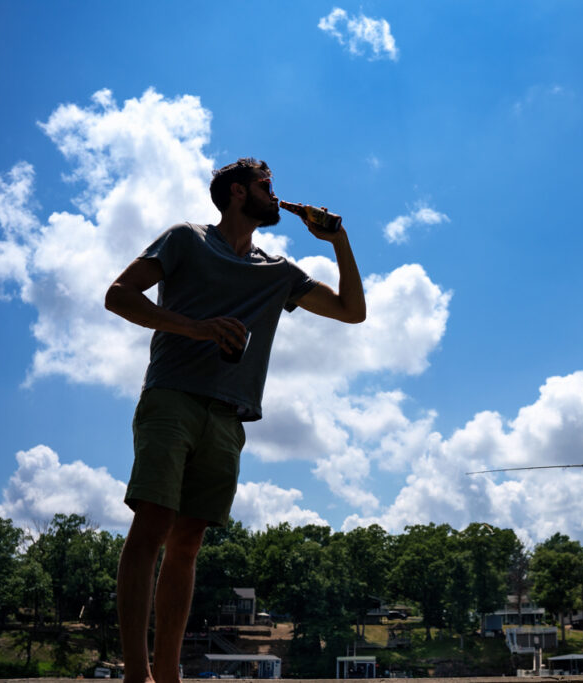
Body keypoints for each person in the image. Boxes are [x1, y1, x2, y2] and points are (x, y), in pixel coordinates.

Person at [105, 157, 366, 683]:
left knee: (188, 541)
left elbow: (351, 311)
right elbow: (118, 296)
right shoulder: (185, 239)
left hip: (228, 417)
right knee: (152, 523)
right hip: (172, 397)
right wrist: (197, 330)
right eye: (269, 187)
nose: (279, 196)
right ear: (239, 193)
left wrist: (338, 241)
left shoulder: (279, 273)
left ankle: (169, 674)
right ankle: (137, 675)